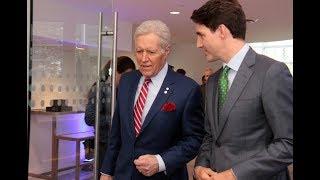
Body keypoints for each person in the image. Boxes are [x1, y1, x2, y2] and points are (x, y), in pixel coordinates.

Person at [190, 0, 293, 180]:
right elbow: (211, 136)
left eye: (201, 35)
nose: (198, 44)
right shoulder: (214, 80)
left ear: (221, 31)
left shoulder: (272, 72)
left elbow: (288, 142)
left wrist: (235, 175)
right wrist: (200, 165)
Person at [100, 20, 204, 180]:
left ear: (166, 51)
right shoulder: (127, 81)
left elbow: (194, 139)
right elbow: (117, 132)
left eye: (151, 52)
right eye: (139, 51)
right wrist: (107, 171)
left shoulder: (187, 89)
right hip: (123, 174)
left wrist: (160, 161)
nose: (143, 58)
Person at [84, 56, 136, 177]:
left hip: (123, 145)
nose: (128, 80)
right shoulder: (100, 88)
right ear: (114, 73)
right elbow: (89, 117)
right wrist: (116, 119)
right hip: (105, 144)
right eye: (124, 76)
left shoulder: (125, 90)